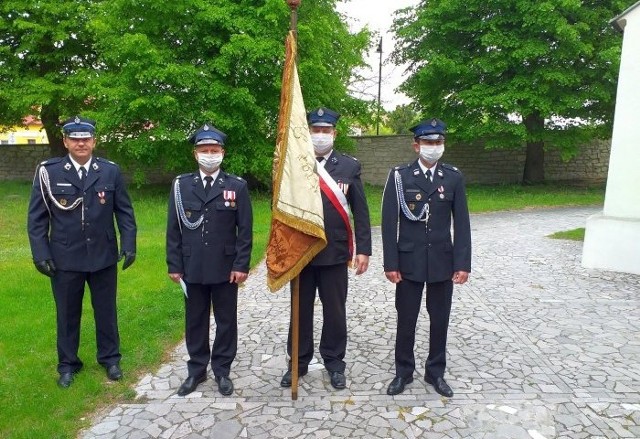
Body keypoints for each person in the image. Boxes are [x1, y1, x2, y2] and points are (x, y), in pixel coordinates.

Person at [27, 116, 137, 388]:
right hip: (65, 257)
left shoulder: (109, 171)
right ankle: (67, 364)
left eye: (85, 138)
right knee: (66, 313)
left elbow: (124, 211)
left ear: (93, 141)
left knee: (106, 311)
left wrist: (129, 243)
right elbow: (37, 218)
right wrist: (41, 253)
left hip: (103, 255)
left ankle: (110, 359)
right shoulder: (49, 172)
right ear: (65, 141)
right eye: (75, 139)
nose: (81, 143)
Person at [280, 107, 372, 390]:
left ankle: (334, 363)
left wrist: (364, 250)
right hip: (302, 253)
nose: (320, 136)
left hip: (334, 254)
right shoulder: (295, 164)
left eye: (325, 131)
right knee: (300, 311)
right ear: (308, 132)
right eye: (315, 130)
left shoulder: (348, 167)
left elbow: (361, 211)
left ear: (335, 134)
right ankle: (298, 362)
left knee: (335, 311)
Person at [381, 118, 471, 397]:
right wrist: (391, 263)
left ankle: (436, 373)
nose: (434, 147)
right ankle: (403, 372)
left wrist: (462, 263)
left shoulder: (453, 177)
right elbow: (388, 223)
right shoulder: (400, 176)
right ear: (416, 145)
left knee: (440, 318)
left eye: (438, 142)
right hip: (408, 263)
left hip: (442, 262)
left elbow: (462, 223)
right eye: (429, 142)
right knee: (406, 319)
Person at [166, 123, 252, 397]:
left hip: (226, 268)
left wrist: (241, 265)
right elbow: (173, 228)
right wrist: (174, 264)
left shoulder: (236, 186)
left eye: (214, 150)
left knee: (226, 320)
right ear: (195, 154)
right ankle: (196, 370)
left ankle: (222, 370)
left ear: (222, 153)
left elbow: (245, 230)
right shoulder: (181, 186)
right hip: (192, 267)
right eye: (204, 150)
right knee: (195, 320)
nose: (209, 154)